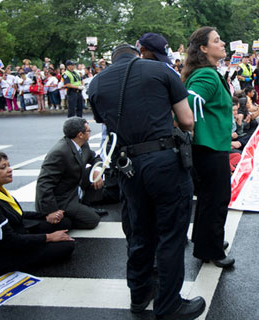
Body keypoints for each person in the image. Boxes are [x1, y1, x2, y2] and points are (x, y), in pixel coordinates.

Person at [89, 41, 205, 319]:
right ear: (138, 53)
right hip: (163, 160)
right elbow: (187, 121)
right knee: (171, 235)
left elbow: (105, 124)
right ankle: (169, 305)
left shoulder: (95, 83)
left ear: (113, 58)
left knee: (139, 233)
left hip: (126, 166)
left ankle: (139, 295)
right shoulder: (160, 71)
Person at [181, 26, 235, 269]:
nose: (222, 43)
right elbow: (190, 101)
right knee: (217, 198)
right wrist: (194, 127)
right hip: (208, 147)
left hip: (210, 145)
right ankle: (211, 249)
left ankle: (205, 242)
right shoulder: (206, 75)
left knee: (208, 198)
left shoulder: (210, 72)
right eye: (217, 40)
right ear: (204, 49)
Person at [0, 151, 74, 275]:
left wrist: (45, 216)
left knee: (64, 222)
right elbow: (10, 240)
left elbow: (18, 214)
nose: (10, 170)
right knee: (66, 246)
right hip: (2, 255)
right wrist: (50, 237)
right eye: (3, 167)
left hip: (18, 230)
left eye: (8, 165)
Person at [35, 117, 105, 230]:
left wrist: (97, 171)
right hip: (62, 198)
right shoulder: (60, 152)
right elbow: (44, 184)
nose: (90, 133)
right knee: (93, 220)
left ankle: (83, 206)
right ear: (80, 135)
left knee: (96, 172)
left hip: (73, 186)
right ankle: (66, 218)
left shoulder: (82, 144)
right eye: (88, 131)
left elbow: (96, 158)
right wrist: (51, 211)